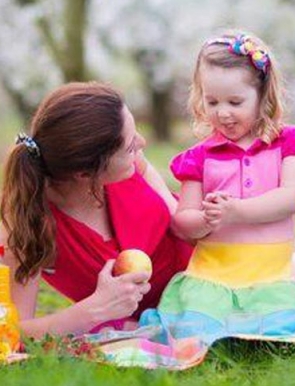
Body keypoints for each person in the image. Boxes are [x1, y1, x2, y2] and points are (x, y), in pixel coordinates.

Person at [139, 32, 295, 343]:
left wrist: (236, 211)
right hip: (211, 277)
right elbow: (183, 221)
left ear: (263, 95)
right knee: (193, 333)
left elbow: (292, 197)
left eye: (235, 102)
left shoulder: (289, 143)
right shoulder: (200, 157)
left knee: (278, 334)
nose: (222, 112)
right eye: (212, 101)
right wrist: (205, 220)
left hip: (269, 279)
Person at [0, 82, 192, 338]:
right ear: (85, 173)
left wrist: (185, 220)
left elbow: (175, 212)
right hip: (156, 325)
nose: (141, 143)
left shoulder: (131, 161)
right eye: (130, 146)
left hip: (213, 278)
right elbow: (13, 332)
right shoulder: (28, 221)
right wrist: (94, 310)